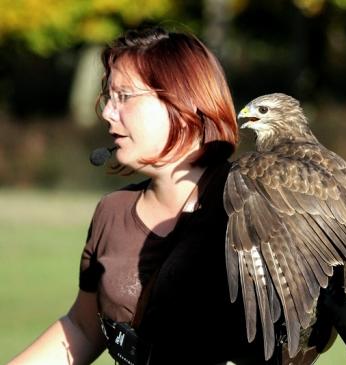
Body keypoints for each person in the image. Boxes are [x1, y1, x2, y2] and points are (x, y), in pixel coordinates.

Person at [9, 27, 269, 365]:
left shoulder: (262, 207)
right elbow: (84, 327)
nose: (107, 113)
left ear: (185, 101)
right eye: (109, 96)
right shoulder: (111, 213)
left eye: (125, 97)